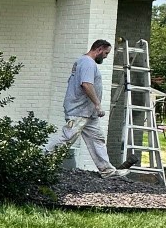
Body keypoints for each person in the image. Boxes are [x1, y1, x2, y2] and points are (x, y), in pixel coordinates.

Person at [47, 38, 127, 177]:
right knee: (67, 137)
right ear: (99, 49)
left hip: (88, 113)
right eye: (106, 53)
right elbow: (86, 84)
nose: (106, 56)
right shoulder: (88, 63)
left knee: (97, 140)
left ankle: (107, 171)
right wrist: (97, 104)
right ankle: (37, 159)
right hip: (80, 110)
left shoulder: (83, 62)